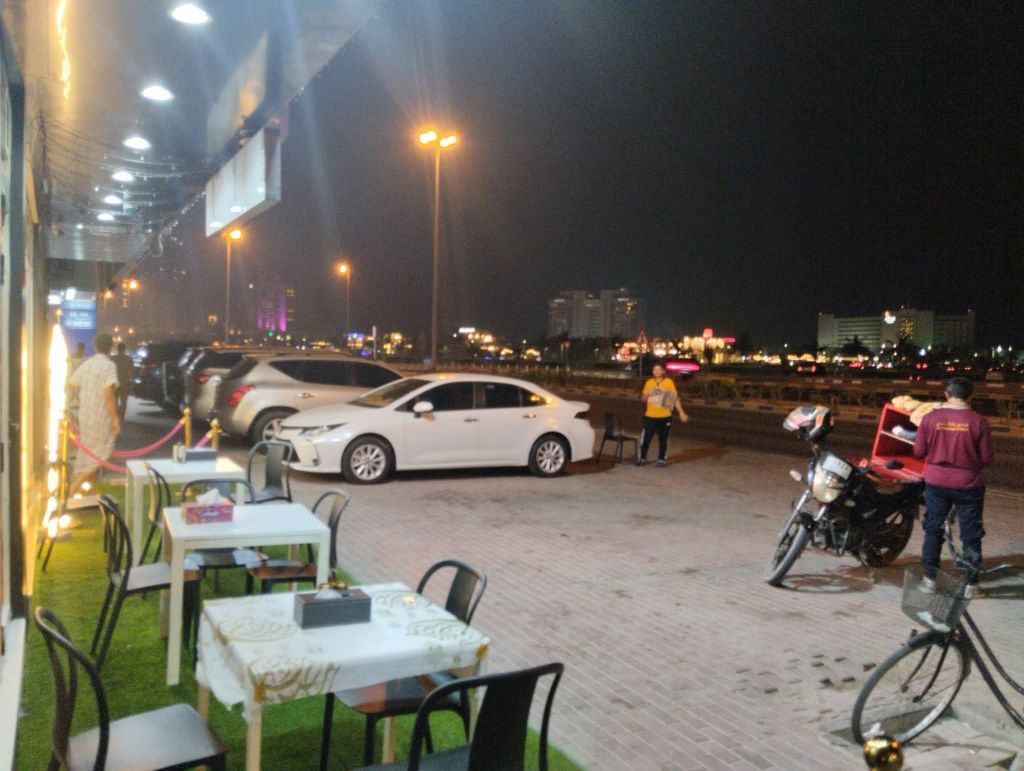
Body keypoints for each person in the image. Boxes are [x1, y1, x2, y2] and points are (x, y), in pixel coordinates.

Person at [913, 377, 994, 598]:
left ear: (947, 394)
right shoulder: (978, 421)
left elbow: (919, 452)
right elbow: (987, 458)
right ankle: (970, 587)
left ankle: (929, 581)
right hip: (968, 484)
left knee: (933, 530)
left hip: (936, 483)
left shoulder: (930, 418)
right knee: (971, 534)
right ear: (970, 396)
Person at [66, 333, 121, 496]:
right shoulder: (109, 366)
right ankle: (72, 489)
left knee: (89, 453)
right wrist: (115, 418)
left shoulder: (87, 364)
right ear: (110, 347)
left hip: (85, 414)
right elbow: (109, 394)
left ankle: (91, 492)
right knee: (99, 455)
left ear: (95, 347)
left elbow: (72, 382)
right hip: (100, 416)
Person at [636, 363, 688, 466]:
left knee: (663, 439)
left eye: (659, 369)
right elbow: (643, 399)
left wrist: (681, 412)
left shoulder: (669, 382)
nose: (656, 372)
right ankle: (642, 458)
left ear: (663, 371)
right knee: (645, 439)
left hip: (665, 416)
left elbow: (675, 398)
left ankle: (661, 459)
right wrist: (648, 394)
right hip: (650, 416)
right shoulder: (649, 382)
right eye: (654, 370)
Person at [112, 342, 134, 420]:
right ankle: (122, 415)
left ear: (118, 349)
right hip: (125, 382)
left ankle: (117, 413)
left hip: (115, 382)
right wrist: (130, 380)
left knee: (115, 399)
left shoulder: (113, 359)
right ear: (124, 349)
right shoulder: (129, 359)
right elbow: (131, 371)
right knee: (124, 400)